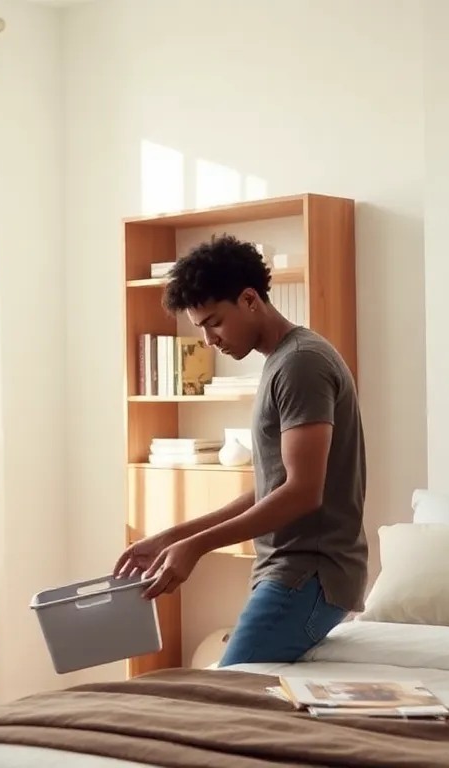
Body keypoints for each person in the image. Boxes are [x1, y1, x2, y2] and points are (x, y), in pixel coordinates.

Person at [113, 234, 367, 666]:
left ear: (250, 300)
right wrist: (174, 538)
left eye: (214, 322)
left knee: (229, 689)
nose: (210, 340)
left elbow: (304, 492)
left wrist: (197, 548)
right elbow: (273, 487)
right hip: (295, 574)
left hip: (310, 575)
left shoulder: (301, 363)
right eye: (201, 327)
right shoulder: (282, 361)